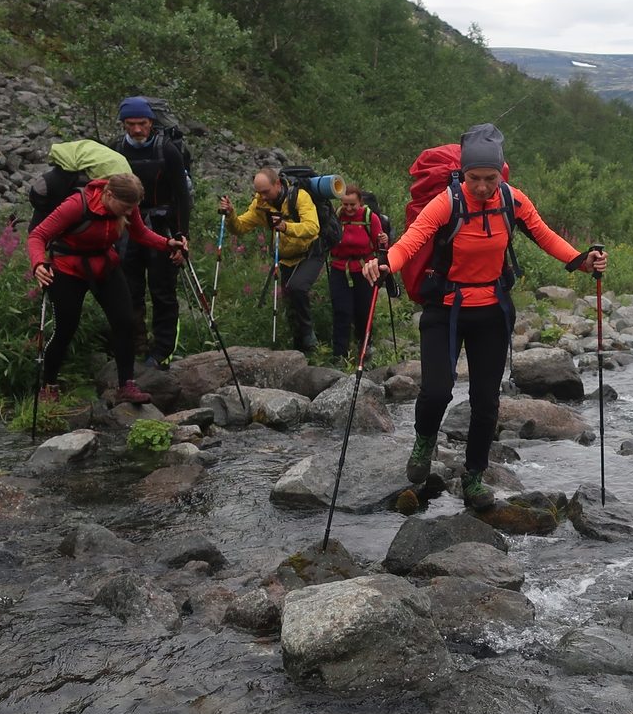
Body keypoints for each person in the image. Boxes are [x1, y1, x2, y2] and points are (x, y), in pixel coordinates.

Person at [364, 123, 606, 510]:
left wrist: (582, 261)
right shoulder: (446, 202)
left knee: (485, 401)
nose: (481, 187)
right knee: (438, 391)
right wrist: (383, 265)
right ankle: (425, 440)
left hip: (492, 311)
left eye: (489, 178)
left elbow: (544, 235)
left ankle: (474, 475)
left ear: (501, 172)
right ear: (463, 173)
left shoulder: (512, 199)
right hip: (444, 310)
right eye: (474, 178)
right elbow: (412, 240)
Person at [27, 172, 188, 404]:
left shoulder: (128, 207)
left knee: (125, 322)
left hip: (104, 265)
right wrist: (38, 263)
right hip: (68, 268)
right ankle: (49, 386)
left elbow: (139, 233)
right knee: (65, 329)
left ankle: (126, 386)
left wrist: (166, 243)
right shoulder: (76, 205)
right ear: (109, 194)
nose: (128, 213)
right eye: (124, 208)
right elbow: (38, 235)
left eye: (132, 208)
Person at [109, 96, 191, 368]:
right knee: (128, 290)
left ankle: (162, 351)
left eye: (141, 124)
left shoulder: (168, 151)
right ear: (123, 124)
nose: (136, 130)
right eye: (130, 124)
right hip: (127, 230)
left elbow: (182, 196)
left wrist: (181, 236)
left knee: (162, 290)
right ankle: (135, 345)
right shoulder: (116, 150)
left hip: (161, 226)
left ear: (151, 123)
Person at [219, 167, 324, 354]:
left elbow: (312, 228)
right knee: (290, 304)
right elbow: (240, 228)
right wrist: (231, 215)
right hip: (285, 258)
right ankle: (299, 351)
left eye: (265, 192)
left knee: (298, 287)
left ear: (277, 184)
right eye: (258, 192)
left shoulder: (299, 197)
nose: (262, 196)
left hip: (310, 253)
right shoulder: (260, 205)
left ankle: (310, 337)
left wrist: (285, 227)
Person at [328, 182, 388, 364]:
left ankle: (365, 347)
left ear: (360, 202)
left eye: (352, 204)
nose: (348, 208)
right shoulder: (337, 217)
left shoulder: (371, 218)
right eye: (345, 204)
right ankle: (340, 355)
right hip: (340, 269)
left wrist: (385, 241)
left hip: (365, 269)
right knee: (341, 311)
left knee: (363, 311)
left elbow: (381, 247)